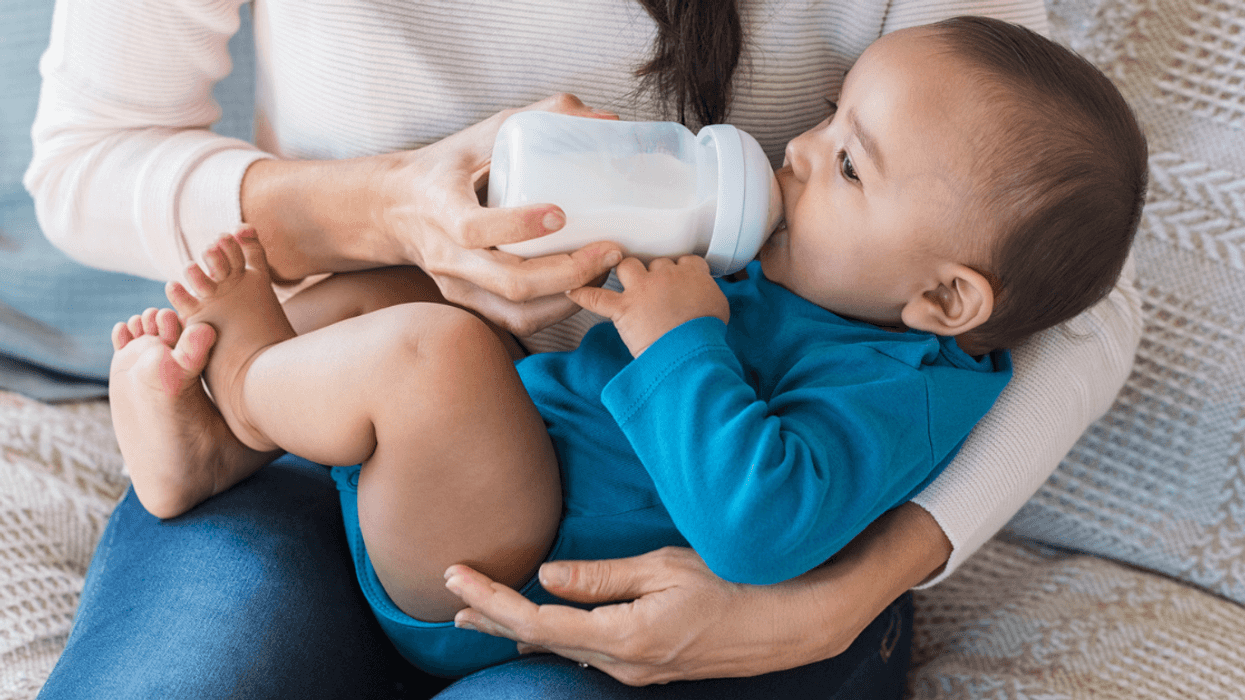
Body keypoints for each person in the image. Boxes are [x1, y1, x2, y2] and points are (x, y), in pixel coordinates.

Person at [25, 1, 1144, 698]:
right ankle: (228, 431)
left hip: (566, 565)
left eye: (846, 159)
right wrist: (386, 205)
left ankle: (249, 393)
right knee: (396, 303)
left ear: (943, 299)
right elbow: (87, 159)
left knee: (432, 359)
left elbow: (1072, 291)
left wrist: (841, 596)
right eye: (827, 121)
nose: (793, 151)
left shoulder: (875, 339)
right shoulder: (814, 281)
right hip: (438, 473)